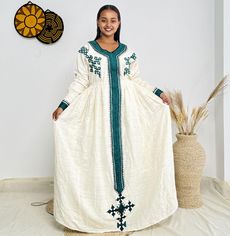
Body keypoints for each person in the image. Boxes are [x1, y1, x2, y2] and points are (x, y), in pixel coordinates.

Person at [52, 4, 178, 233]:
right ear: (98, 22)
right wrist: (63, 105)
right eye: (104, 20)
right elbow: (81, 81)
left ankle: (135, 211)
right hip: (97, 115)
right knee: (98, 157)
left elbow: (135, 80)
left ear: (119, 23)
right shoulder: (86, 51)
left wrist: (158, 93)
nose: (108, 24)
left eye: (113, 20)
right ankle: (97, 210)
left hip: (128, 114)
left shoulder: (128, 52)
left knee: (131, 155)